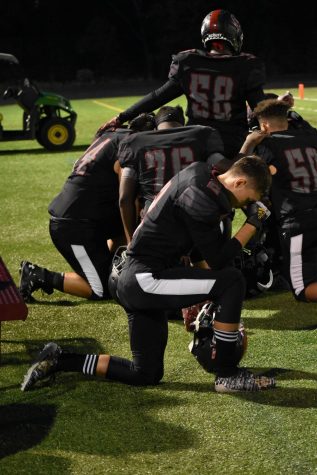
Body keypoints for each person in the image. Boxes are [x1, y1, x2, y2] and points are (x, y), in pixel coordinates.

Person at [21, 156, 276, 393]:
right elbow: (219, 259)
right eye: (248, 199)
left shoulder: (200, 172)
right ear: (239, 181)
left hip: (134, 278)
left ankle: (60, 360)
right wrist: (253, 223)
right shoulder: (202, 197)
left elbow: (195, 239)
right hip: (145, 279)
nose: (247, 205)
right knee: (232, 281)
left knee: (146, 373)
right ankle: (227, 374)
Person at [19, 113, 156, 303]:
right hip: (73, 227)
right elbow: (126, 198)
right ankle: (38, 275)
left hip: (86, 217)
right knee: (101, 290)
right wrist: (133, 241)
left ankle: (114, 265)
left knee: (125, 223)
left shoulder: (112, 135)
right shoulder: (130, 145)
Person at [97, 9, 266, 159]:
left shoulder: (189, 63)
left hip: (195, 144)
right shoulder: (246, 66)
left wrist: (122, 117)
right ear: (234, 35)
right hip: (232, 146)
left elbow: (158, 97)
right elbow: (261, 110)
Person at [240, 98, 317, 302]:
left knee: (302, 290)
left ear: (263, 125)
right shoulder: (309, 137)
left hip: (297, 220)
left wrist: (249, 143)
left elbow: (239, 175)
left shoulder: (266, 145)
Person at [118, 105, 226, 242]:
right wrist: (248, 144)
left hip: (154, 220)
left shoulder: (135, 142)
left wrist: (130, 241)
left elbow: (124, 199)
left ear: (156, 128)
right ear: (183, 124)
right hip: (193, 219)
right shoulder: (201, 135)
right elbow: (224, 169)